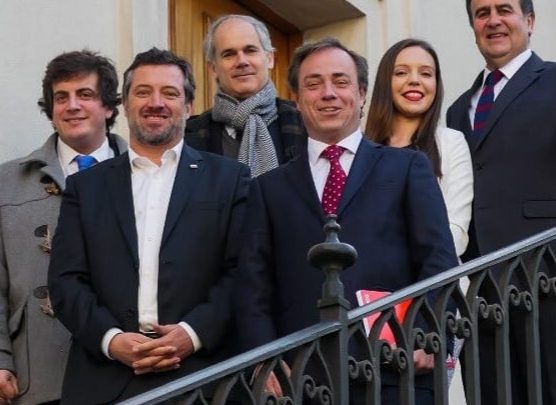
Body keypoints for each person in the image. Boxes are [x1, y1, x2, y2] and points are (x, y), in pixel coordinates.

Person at [236, 38, 458, 404]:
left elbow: (439, 258)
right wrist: (263, 359)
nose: (328, 93)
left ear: (362, 93)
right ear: (296, 98)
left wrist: (430, 334)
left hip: (397, 371)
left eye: (340, 81)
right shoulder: (268, 188)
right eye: (314, 83)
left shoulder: (407, 167)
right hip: (302, 380)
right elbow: (253, 285)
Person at [47, 48, 250, 404]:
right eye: (143, 92)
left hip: (204, 379)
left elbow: (243, 272)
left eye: (169, 93)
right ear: (125, 105)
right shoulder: (86, 186)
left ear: (188, 106)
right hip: (104, 381)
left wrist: (192, 333)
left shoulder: (229, 179)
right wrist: (111, 340)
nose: (155, 103)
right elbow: (66, 280)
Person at [0, 50, 126, 405]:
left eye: (85, 95)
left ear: (109, 106)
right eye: (61, 97)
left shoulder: (144, 174)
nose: (72, 106)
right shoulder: (7, 183)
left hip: (128, 371)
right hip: (38, 373)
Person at [446, 0, 556, 402]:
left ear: (529, 21)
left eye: (504, 9)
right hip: (483, 294)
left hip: (546, 277)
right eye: (482, 13)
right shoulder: (458, 109)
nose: (493, 20)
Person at [366, 38, 473, 259]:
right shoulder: (361, 150)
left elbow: (457, 232)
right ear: (385, 82)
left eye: (426, 73)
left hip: (436, 276)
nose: (415, 80)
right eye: (401, 72)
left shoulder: (452, 142)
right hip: (372, 278)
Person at [184, 14, 306, 176]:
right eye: (229, 54)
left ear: (270, 59)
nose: (242, 61)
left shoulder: (306, 122)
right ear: (213, 68)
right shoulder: (187, 137)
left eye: (250, 50)